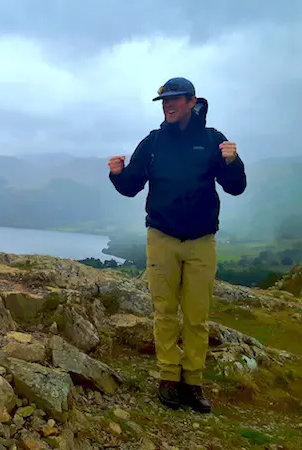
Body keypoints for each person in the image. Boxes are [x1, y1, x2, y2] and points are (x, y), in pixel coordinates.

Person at [107, 77, 247, 413]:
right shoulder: (154, 142)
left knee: (197, 317)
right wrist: (116, 174)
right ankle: (168, 377)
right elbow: (131, 187)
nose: (168, 105)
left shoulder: (213, 140)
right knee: (165, 313)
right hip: (162, 239)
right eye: (164, 101)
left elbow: (236, 187)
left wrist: (233, 162)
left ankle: (194, 382)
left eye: (175, 100)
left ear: (192, 101)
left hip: (201, 242)